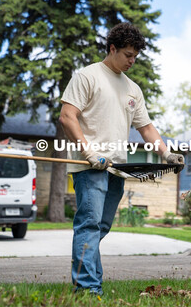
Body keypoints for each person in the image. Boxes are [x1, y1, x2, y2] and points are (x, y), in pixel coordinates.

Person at [59, 22, 184, 295]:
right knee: (89, 224)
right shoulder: (87, 76)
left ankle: (92, 282)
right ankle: (87, 290)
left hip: (117, 167)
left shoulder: (133, 89)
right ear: (112, 48)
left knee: (100, 227)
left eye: (136, 57)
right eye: (128, 55)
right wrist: (88, 152)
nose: (132, 61)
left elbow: (146, 128)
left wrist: (166, 153)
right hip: (89, 165)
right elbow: (68, 116)